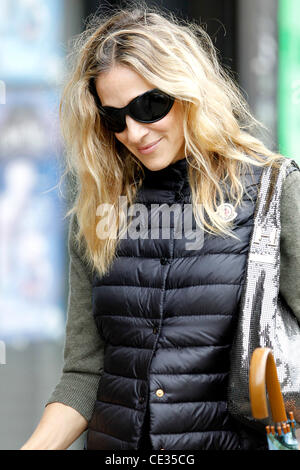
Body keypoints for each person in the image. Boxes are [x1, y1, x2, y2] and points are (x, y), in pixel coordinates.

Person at [20, 2, 300, 450]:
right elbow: (83, 374)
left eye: (150, 105)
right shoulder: (98, 211)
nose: (134, 131)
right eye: (114, 117)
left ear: (188, 92)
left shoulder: (271, 192)